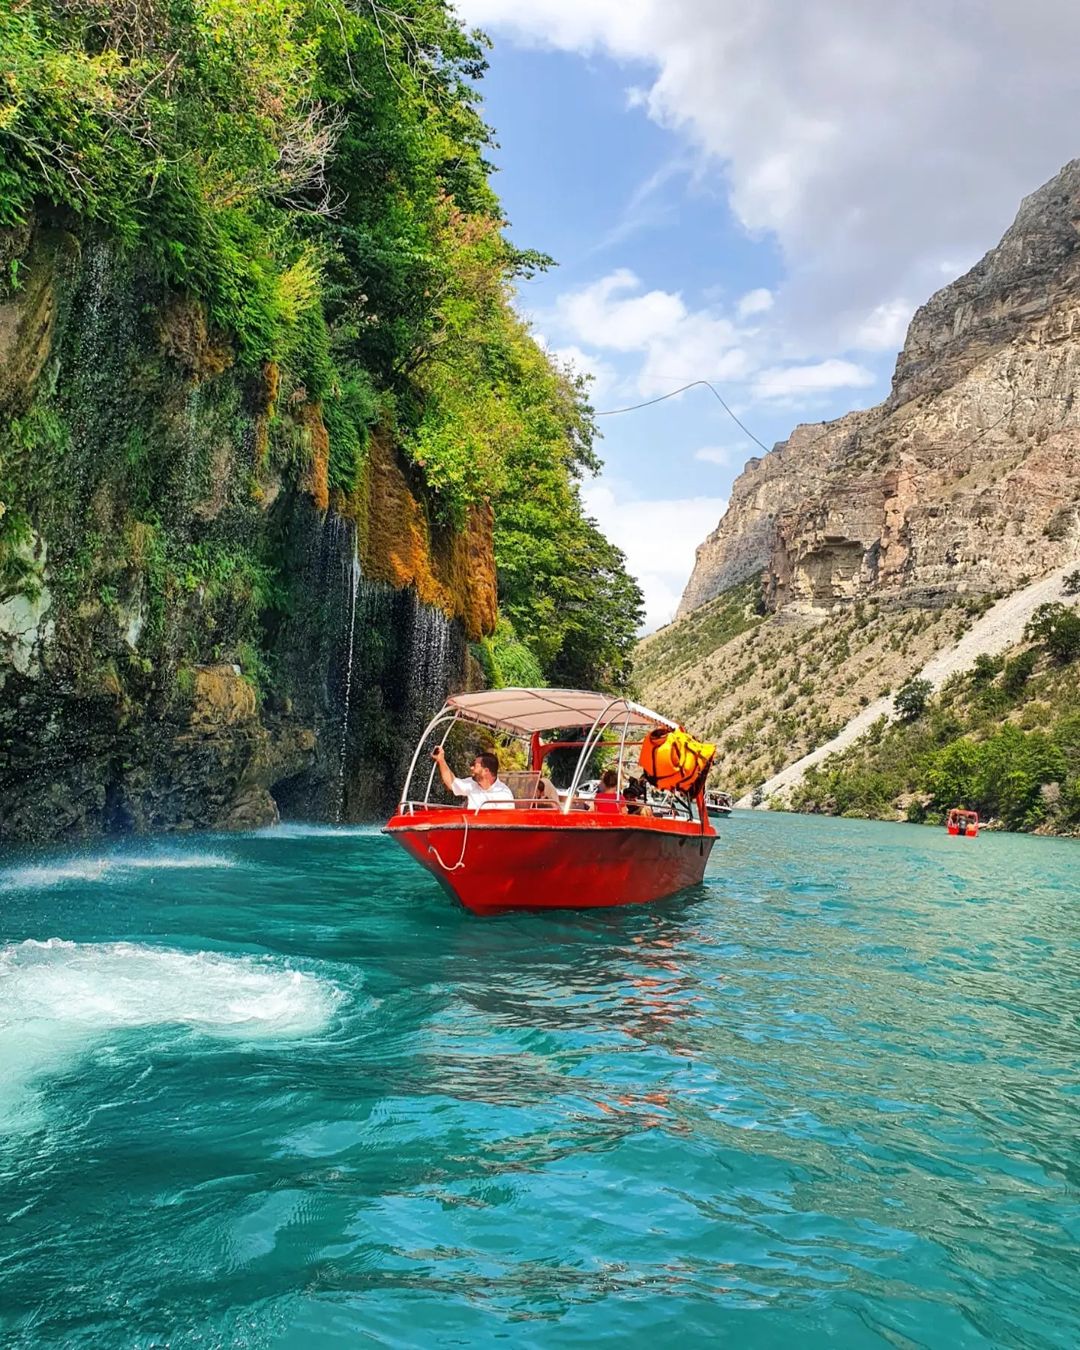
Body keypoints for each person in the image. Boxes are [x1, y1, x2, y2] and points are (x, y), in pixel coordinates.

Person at [431, 745, 514, 811]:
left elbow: (505, 822)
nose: (471, 768)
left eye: (474, 765)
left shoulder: (504, 794)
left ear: (486, 771)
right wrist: (441, 760)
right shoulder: (471, 783)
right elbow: (451, 782)